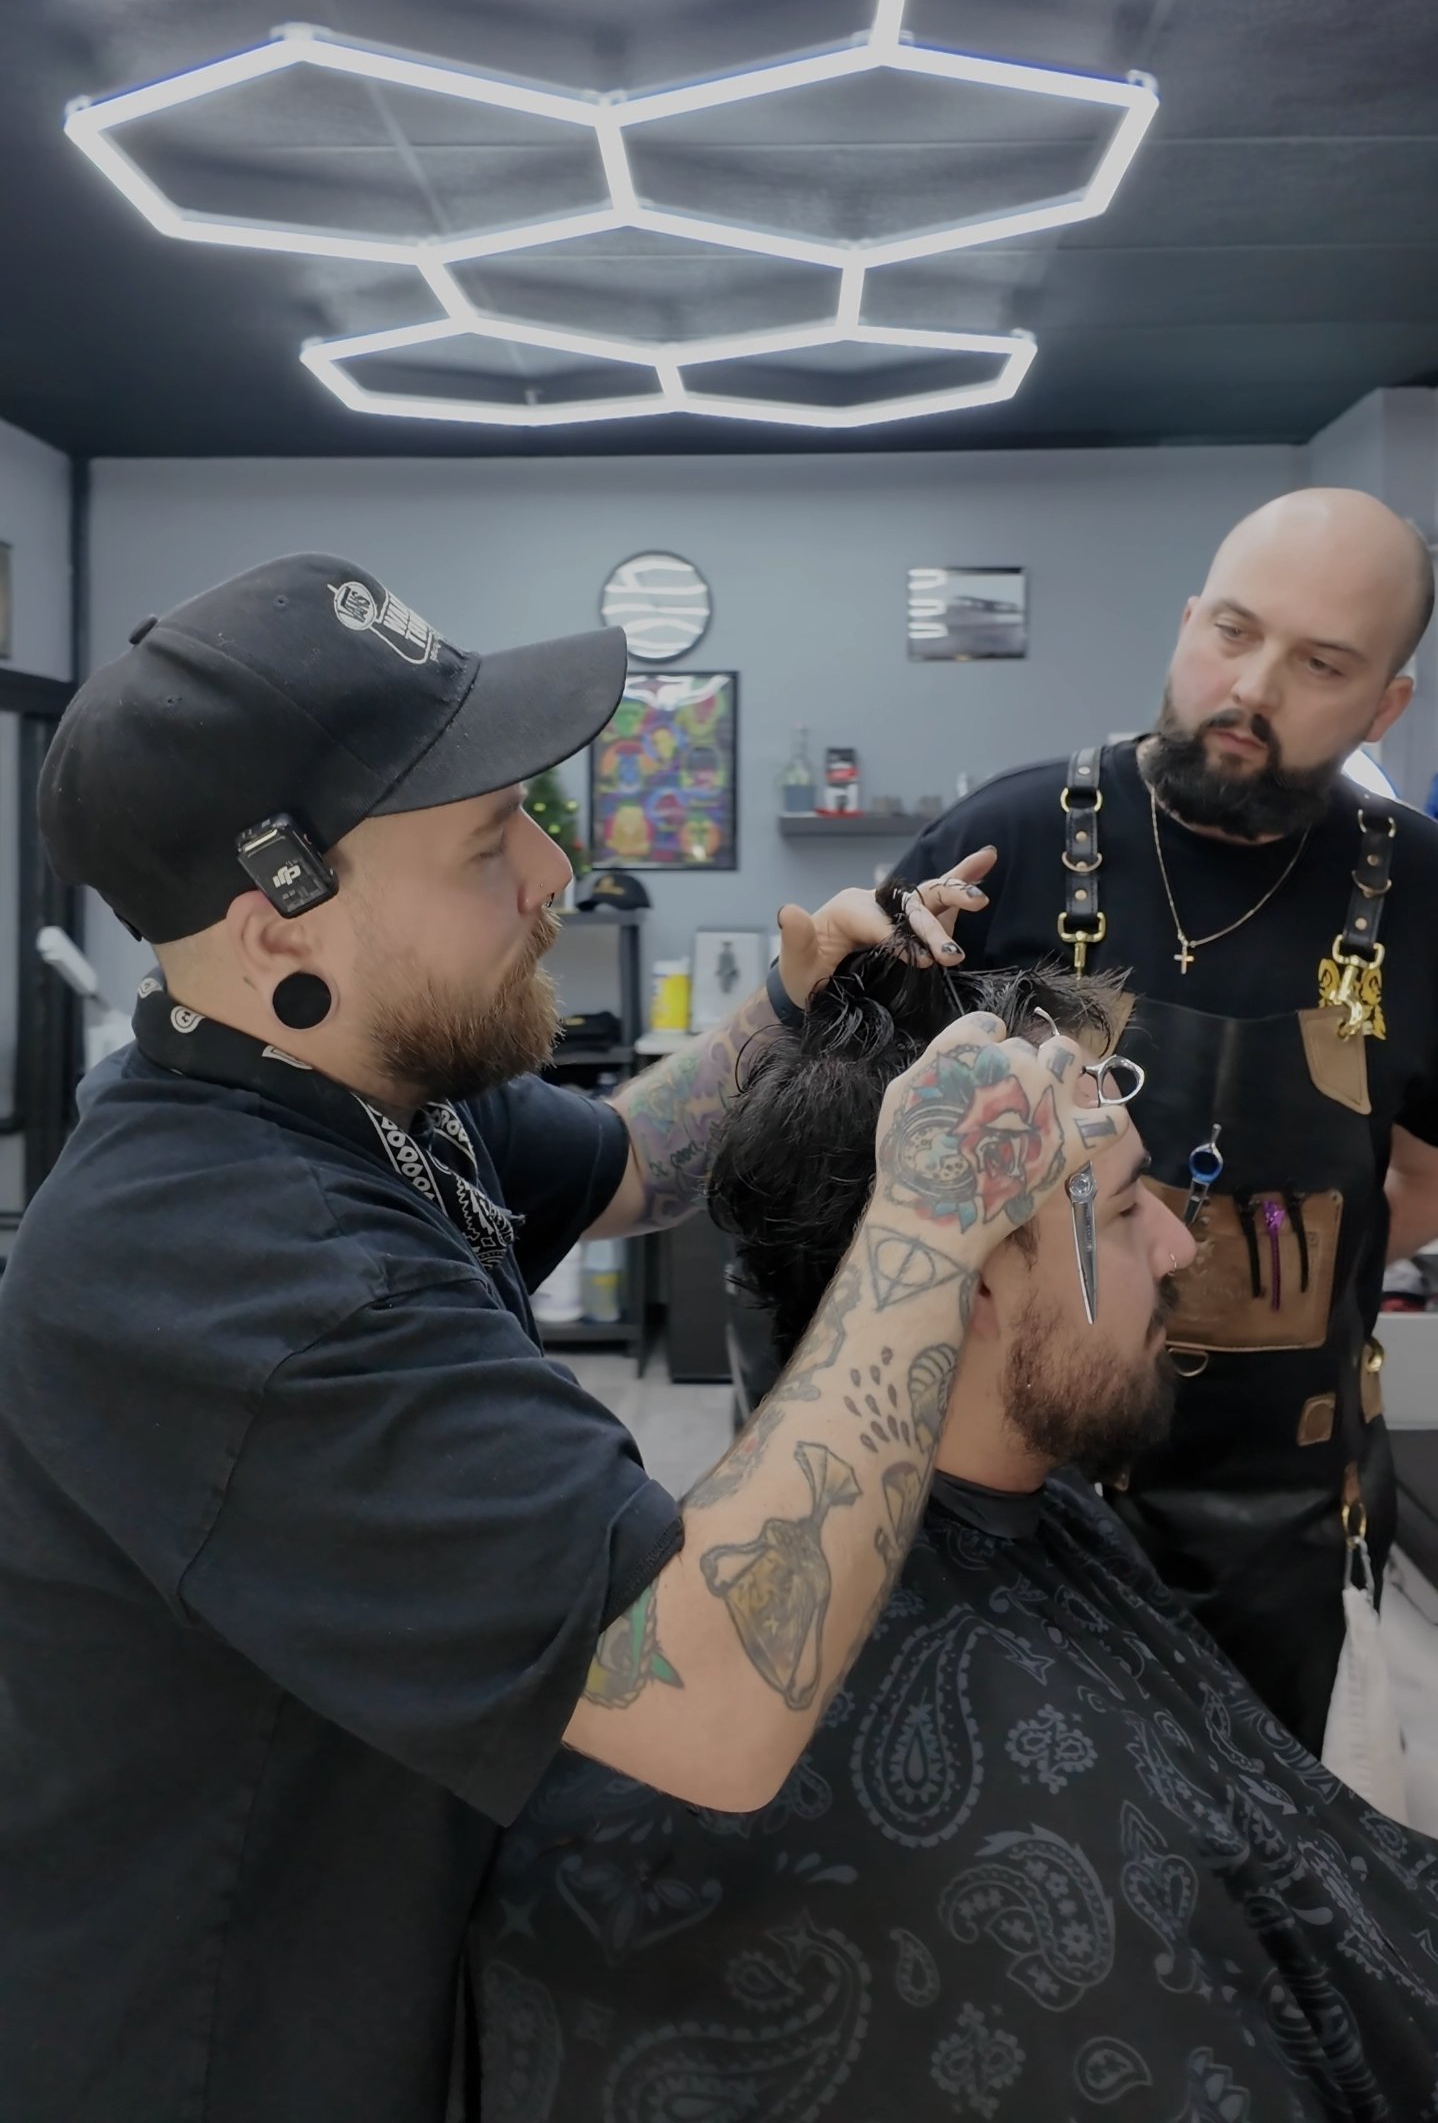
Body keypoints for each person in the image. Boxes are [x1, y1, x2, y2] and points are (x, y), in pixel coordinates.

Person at [0, 551, 1088, 2123]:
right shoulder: (245, 1279)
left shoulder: (356, 1092)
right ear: (277, 928)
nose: (551, 877)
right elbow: (711, 1699)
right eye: (483, 841)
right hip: (220, 2043)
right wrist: (925, 1219)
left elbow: (640, 1158)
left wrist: (787, 1010)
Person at [473, 942, 1438, 2123]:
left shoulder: (1028, 1523)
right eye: (1131, 1208)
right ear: (969, 1277)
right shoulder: (907, 1772)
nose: (1183, 1249)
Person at [891, 487, 1438, 1754]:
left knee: (1247, 1856)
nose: (1250, 686)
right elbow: (843, 1145)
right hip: (1004, 1480)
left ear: (1383, 705)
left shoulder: (1421, 897)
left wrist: (1284, 1270)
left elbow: (1427, 1169)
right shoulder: (1007, 843)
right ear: (1188, 619)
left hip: (1277, 1508)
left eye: (1320, 664)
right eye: (1231, 632)